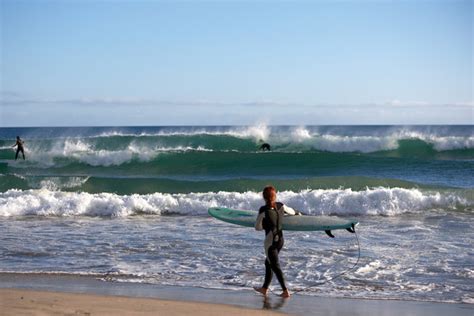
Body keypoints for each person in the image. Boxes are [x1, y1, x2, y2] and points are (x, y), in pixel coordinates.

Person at [254, 185, 300, 298]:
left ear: (264, 198)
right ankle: (264, 288)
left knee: (275, 266)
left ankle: (285, 291)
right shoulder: (281, 206)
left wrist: (264, 224)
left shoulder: (263, 210)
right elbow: (292, 212)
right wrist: (298, 214)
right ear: (275, 196)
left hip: (269, 243)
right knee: (268, 263)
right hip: (280, 240)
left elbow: (257, 227)